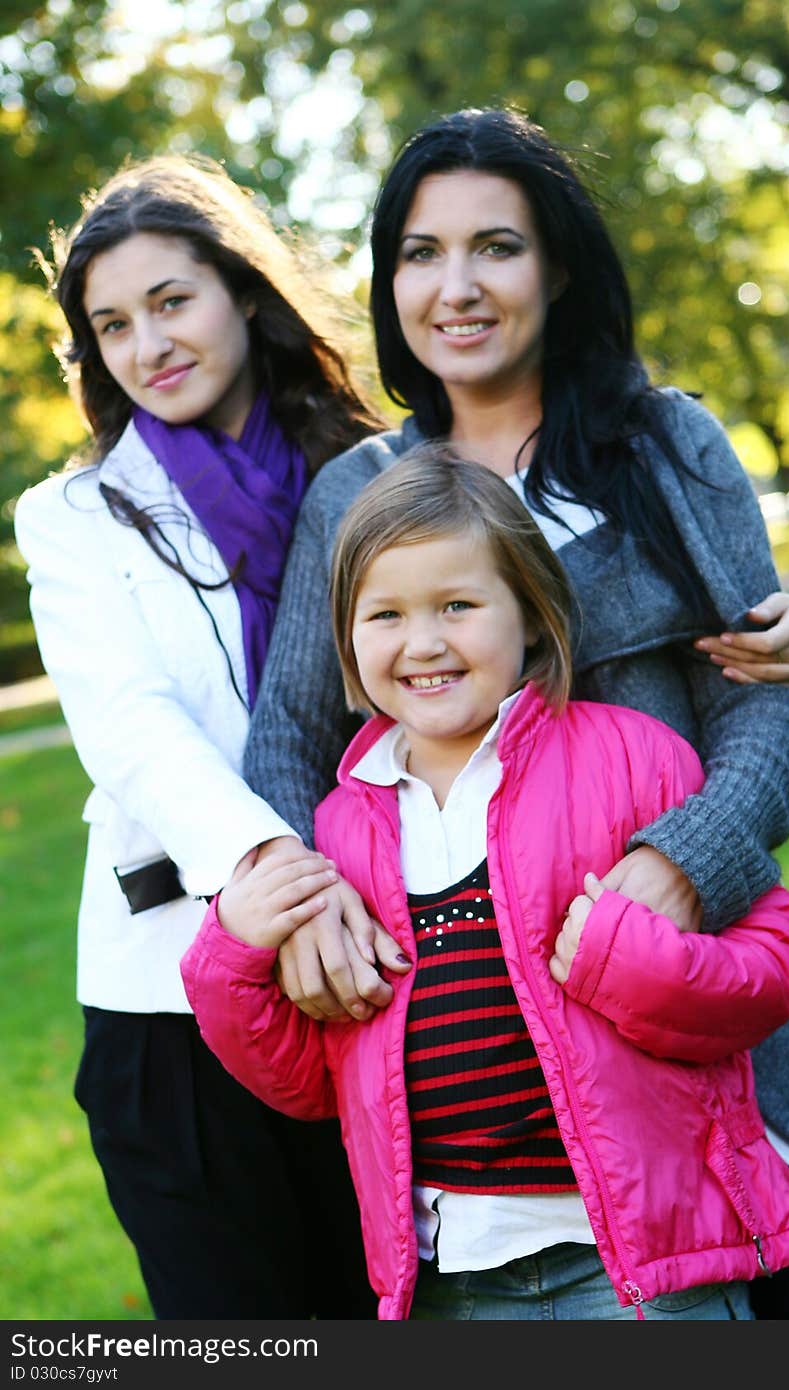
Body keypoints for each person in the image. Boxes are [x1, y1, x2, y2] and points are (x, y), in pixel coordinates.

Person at [241, 107, 789, 1317]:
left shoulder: (661, 444)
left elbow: (768, 707)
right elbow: (289, 739)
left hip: (687, 986)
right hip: (490, 1074)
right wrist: (301, 905)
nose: (456, 286)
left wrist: (680, 865)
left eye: (498, 246)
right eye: (421, 253)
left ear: (560, 267)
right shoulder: (359, 494)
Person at [182, 446, 789, 1320]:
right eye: (386, 615)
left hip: (639, 1269)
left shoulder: (633, 758)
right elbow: (306, 1078)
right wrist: (228, 956)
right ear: (345, 637)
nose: (424, 642)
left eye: (458, 604)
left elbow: (775, 965)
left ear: (529, 612)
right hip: (454, 1278)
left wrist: (627, 960)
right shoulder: (340, 830)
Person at [13, 154, 381, 1319]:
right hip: (172, 1002)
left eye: (171, 301)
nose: (147, 344)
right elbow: (130, 723)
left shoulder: (371, 473)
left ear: (243, 292)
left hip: (383, 968)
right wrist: (277, 870)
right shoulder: (72, 519)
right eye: (112, 325)